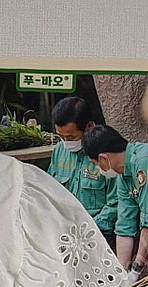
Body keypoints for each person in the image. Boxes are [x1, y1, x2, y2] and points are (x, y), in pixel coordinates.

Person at [82, 124, 148, 287]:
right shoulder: (124, 176)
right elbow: (125, 226)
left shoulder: (145, 161)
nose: (97, 169)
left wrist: (135, 271)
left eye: (95, 164)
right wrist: (121, 275)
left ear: (103, 158)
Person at [48, 97, 117, 244]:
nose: (66, 142)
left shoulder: (107, 154)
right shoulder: (59, 150)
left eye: (71, 137)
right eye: (61, 137)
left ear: (89, 127)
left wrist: (89, 229)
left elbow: (116, 202)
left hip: (98, 234)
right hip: (62, 232)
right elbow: (49, 191)